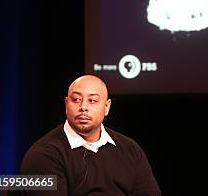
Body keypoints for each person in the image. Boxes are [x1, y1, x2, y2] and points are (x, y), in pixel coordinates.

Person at [18, 75, 161, 195]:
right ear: (66, 105)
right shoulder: (43, 155)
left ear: (106, 107)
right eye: (76, 100)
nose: (83, 107)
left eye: (92, 101)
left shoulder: (130, 150)